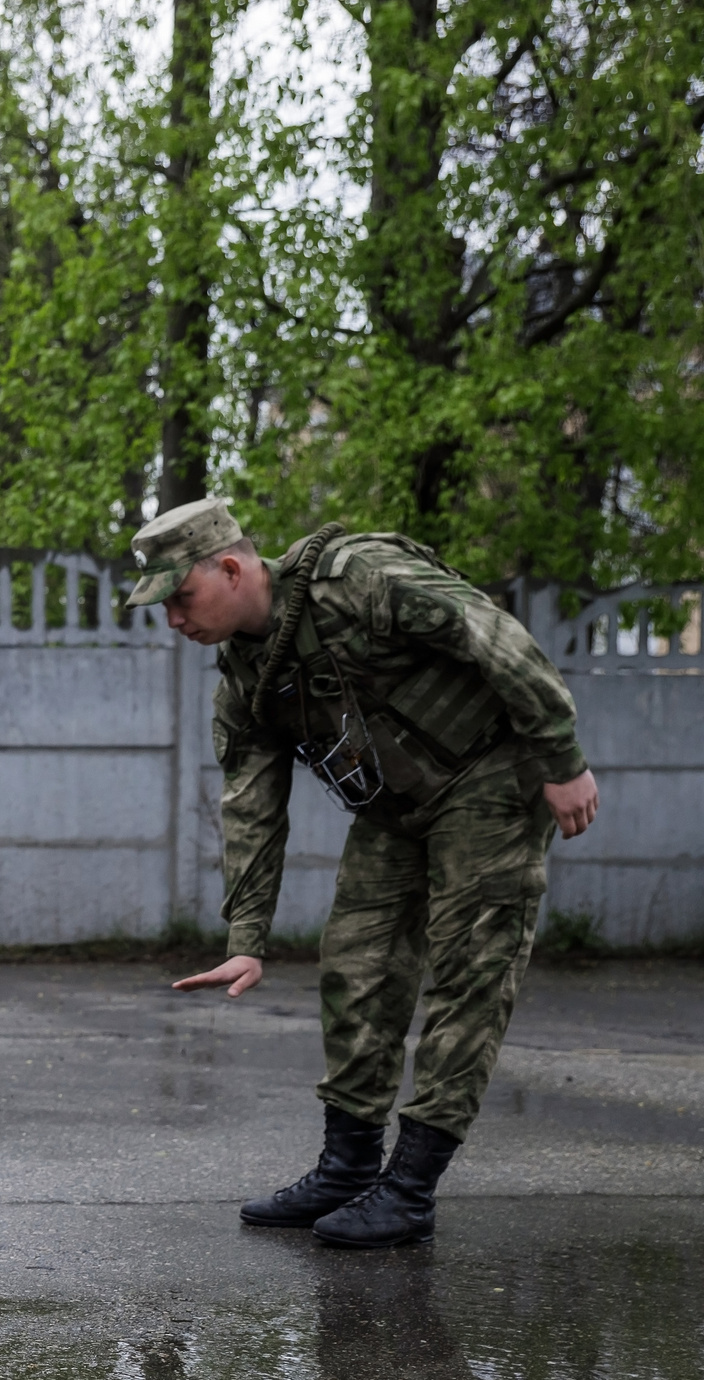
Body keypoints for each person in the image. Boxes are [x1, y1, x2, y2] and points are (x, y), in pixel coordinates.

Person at [125, 498, 599, 1249]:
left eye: (182, 596)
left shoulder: (360, 580)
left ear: (232, 568)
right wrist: (247, 938)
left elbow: (495, 635)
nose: (175, 620)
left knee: (470, 974)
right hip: (395, 811)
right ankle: (348, 1168)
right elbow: (251, 806)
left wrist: (562, 760)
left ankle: (409, 1190)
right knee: (356, 968)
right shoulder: (247, 675)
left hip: (489, 781)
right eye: (164, 607)